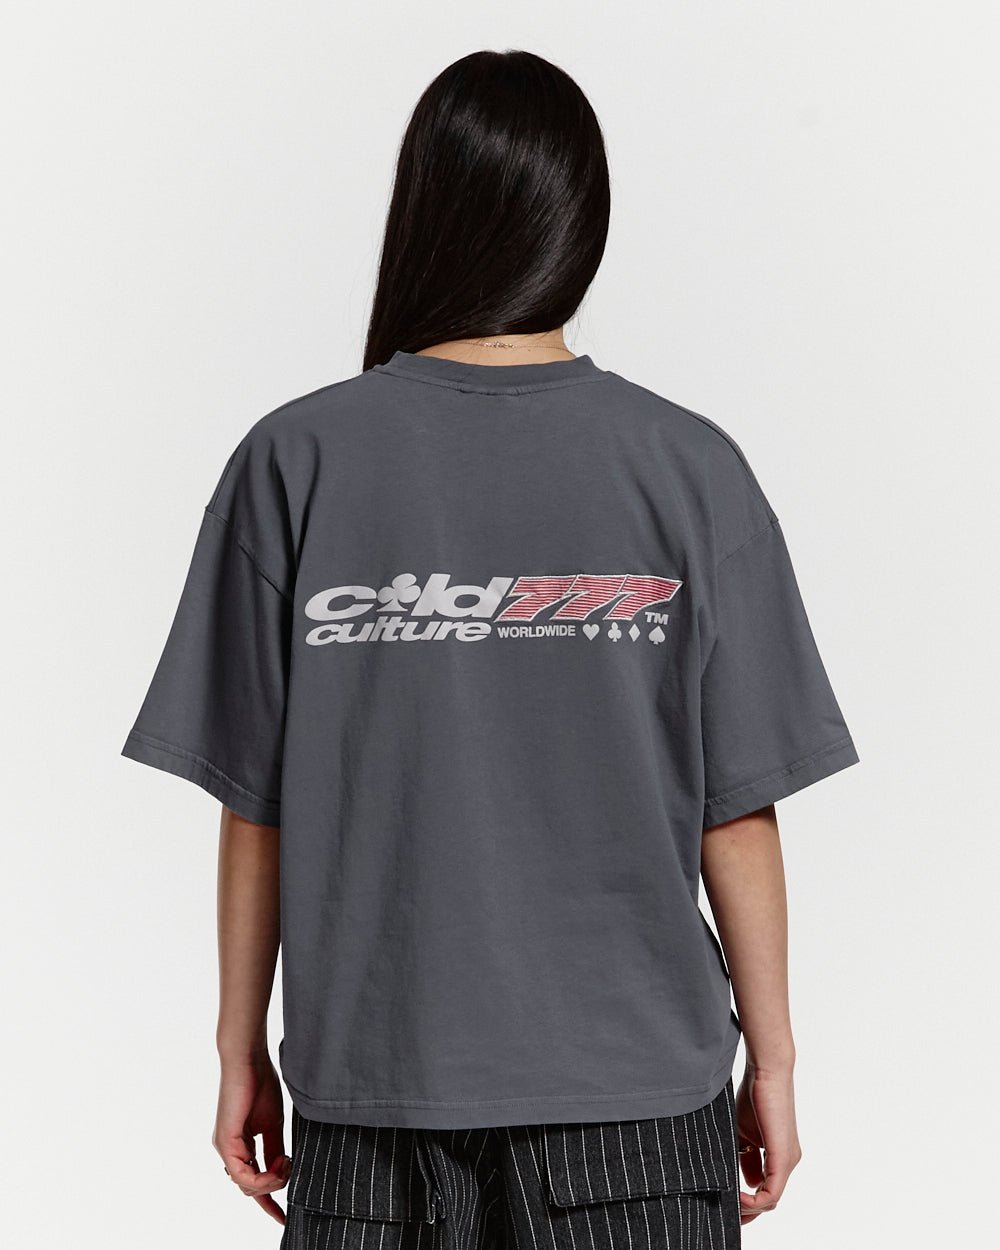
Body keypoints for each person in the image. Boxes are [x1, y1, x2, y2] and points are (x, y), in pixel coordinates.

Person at [120, 49, 860, 1250]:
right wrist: (772, 1057)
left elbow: (256, 805)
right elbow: (736, 809)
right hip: (636, 1108)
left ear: (423, 209)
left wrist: (237, 1043)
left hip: (373, 1098)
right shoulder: (689, 469)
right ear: (582, 220)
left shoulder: (296, 458)